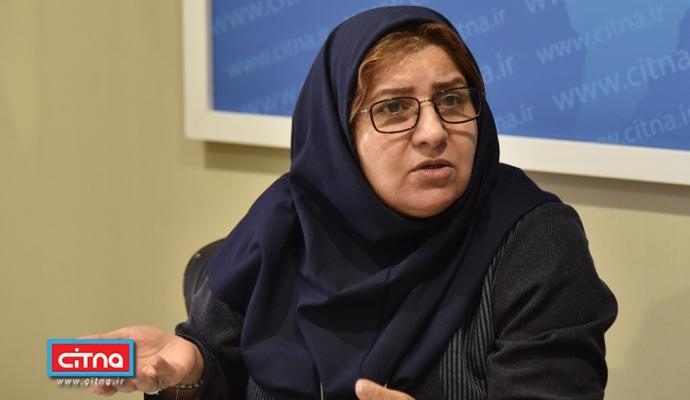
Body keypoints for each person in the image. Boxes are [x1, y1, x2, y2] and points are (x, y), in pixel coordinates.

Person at [89, 6, 617, 400]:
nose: (433, 132)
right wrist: (191, 369)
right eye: (394, 108)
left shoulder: (534, 239)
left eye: (453, 100)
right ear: (338, 134)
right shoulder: (287, 220)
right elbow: (220, 358)